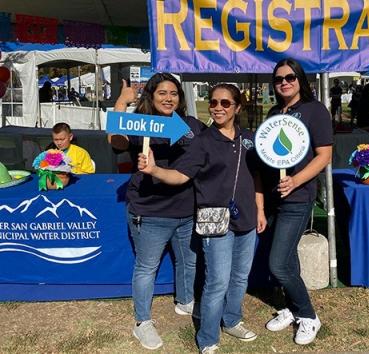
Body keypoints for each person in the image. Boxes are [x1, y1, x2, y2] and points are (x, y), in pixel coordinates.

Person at [137, 83, 267, 354]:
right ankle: (208, 338)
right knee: (217, 281)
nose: (218, 108)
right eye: (214, 103)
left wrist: (261, 209)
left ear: (237, 108)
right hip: (216, 222)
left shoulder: (249, 139)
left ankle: (232, 320)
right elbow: (180, 176)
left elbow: (255, 177)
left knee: (240, 277)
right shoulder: (203, 141)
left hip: (247, 220)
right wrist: (154, 170)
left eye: (225, 103)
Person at [108, 74, 205, 351]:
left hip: (186, 211)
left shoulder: (189, 125)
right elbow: (117, 141)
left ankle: (186, 302)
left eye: (173, 93)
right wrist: (122, 103)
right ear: (151, 96)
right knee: (146, 268)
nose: (168, 98)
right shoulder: (139, 125)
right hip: (149, 213)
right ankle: (142, 323)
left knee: (188, 261)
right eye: (162, 93)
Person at [262, 58, 333, 346]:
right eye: (279, 79)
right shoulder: (274, 112)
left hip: (298, 197)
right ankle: (292, 309)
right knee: (287, 259)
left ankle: (308, 316)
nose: (284, 83)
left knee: (277, 264)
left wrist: (296, 180)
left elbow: (324, 155)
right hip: (274, 196)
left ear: (300, 79)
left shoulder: (314, 111)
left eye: (290, 77)